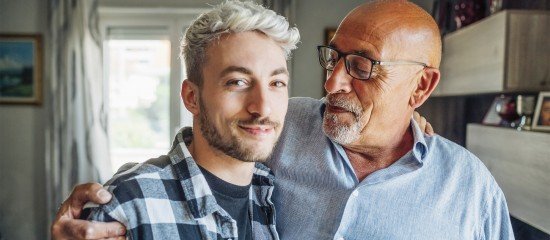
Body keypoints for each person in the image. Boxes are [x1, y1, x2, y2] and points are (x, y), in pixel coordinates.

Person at [53, 1, 513, 239]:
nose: (332, 83)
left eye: (362, 65)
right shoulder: (282, 122)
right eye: (332, 58)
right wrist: (120, 195)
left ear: (421, 88)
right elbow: (202, 155)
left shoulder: (469, 188)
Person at [56, 1, 299, 239]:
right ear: (192, 97)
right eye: (237, 82)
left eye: (276, 83)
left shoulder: (275, 195)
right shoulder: (127, 205)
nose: (263, 107)